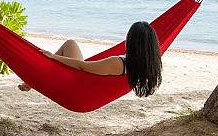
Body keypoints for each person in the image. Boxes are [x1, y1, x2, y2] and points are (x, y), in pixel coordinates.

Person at [18, 21, 162, 97]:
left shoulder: (116, 63)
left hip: (77, 89)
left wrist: (53, 57)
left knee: (70, 43)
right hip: (88, 88)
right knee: (70, 45)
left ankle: (33, 81)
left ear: (131, 42)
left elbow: (81, 66)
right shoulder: (146, 66)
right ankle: (33, 82)